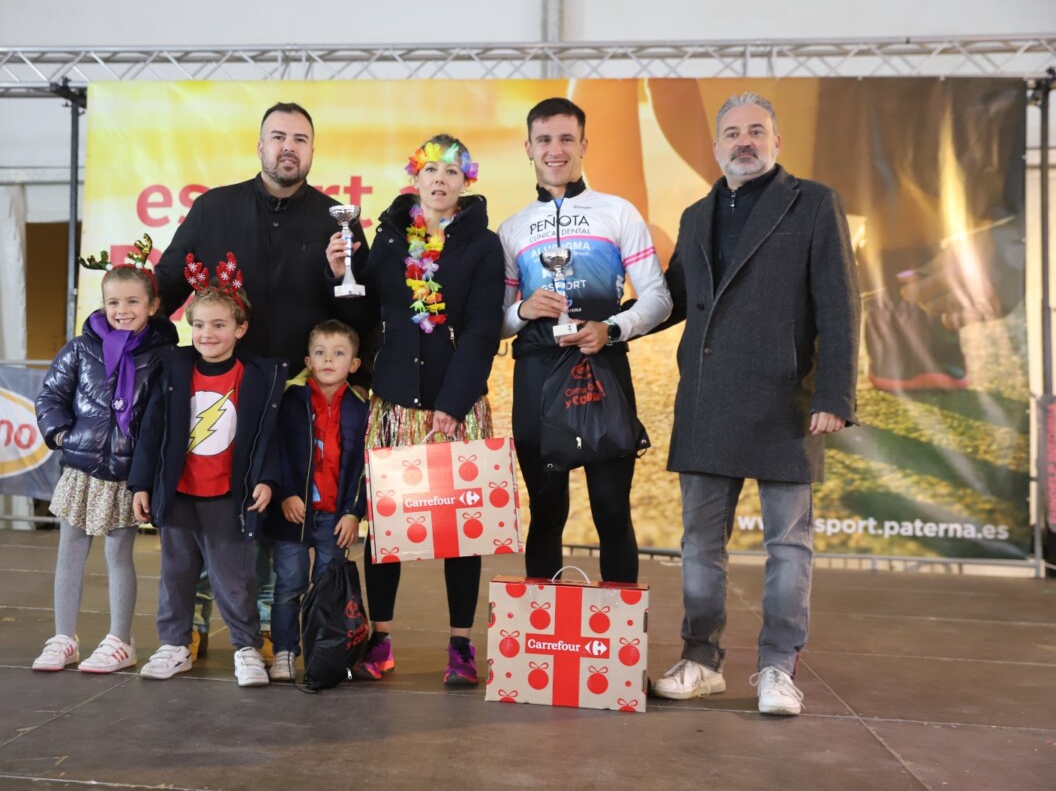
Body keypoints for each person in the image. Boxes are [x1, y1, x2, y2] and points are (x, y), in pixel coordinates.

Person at [648, 92, 859, 716]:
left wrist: (834, 394)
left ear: (777, 141)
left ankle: (777, 669)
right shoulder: (694, 215)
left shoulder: (816, 203)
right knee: (698, 545)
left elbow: (841, 305)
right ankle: (701, 660)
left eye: (757, 130)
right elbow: (674, 299)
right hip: (708, 399)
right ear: (716, 147)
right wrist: (607, 321)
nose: (744, 140)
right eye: (733, 132)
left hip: (786, 402)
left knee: (788, 545)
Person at [154, 101, 375, 657]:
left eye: (300, 139)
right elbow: (168, 285)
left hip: (300, 396)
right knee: (211, 507)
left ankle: (275, 626)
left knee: (281, 514)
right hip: (224, 390)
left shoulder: (338, 223)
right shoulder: (213, 208)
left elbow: (358, 315)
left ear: (311, 152)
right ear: (259, 146)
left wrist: (335, 275)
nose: (288, 147)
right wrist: (127, 339)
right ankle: (197, 623)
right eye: (277, 136)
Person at [499, 97, 671, 585]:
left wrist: (611, 329)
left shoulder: (617, 212)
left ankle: (615, 653)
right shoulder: (511, 229)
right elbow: (496, 324)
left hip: (603, 368)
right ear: (528, 148)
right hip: (536, 377)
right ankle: (543, 645)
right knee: (547, 516)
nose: (556, 150)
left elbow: (657, 298)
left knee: (612, 511)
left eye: (566, 139)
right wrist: (522, 310)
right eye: (545, 140)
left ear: (584, 145)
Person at [355, 134, 504, 685]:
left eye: (452, 171)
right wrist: (337, 270)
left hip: (456, 407)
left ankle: (461, 647)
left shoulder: (482, 245)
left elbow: (484, 329)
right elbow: (367, 305)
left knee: (463, 530)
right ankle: (380, 636)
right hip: (394, 405)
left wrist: (452, 403)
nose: (440, 180)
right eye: (430, 170)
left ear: (467, 181)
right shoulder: (390, 238)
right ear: (414, 177)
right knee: (386, 528)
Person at [129, 265, 288, 687]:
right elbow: (152, 432)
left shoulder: (257, 376)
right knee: (176, 575)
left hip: (227, 497)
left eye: (219, 325)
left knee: (234, 579)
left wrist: (267, 480)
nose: (207, 334)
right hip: (179, 495)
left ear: (240, 329)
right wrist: (142, 483)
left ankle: (246, 647)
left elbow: (266, 438)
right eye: (198, 325)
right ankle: (174, 645)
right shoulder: (175, 369)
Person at [32, 258, 178, 672]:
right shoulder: (80, 349)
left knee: (119, 555)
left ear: (153, 306)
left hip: (126, 475)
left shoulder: (166, 355)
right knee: (70, 552)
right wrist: (63, 435)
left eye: (133, 301)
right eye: (113, 301)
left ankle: (120, 640)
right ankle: (64, 638)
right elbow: (50, 397)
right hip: (81, 470)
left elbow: (164, 416)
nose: (122, 309)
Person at [265, 319, 368, 682]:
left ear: (353, 364)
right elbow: (277, 451)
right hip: (293, 515)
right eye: (320, 353)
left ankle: (324, 654)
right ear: (308, 360)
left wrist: (355, 513)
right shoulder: (290, 400)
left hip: (335, 519)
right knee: (288, 586)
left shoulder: (360, 408)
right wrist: (287, 494)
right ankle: (284, 651)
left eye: (339, 354)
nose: (328, 360)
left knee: (328, 590)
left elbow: (363, 467)